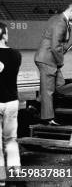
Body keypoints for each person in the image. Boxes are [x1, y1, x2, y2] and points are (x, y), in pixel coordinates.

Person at [34, 1, 72, 126]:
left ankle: (42, 104)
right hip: (48, 59)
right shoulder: (60, 22)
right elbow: (55, 46)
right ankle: (47, 118)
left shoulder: (57, 18)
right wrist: (60, 62)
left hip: (49, 58)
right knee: (48, 90)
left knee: (60, 84)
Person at [0, 22, 22, 180]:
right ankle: (15, 174)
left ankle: (1, 178)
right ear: (4, 35)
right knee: (11, 140)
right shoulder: (16, 54)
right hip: (12, 102)